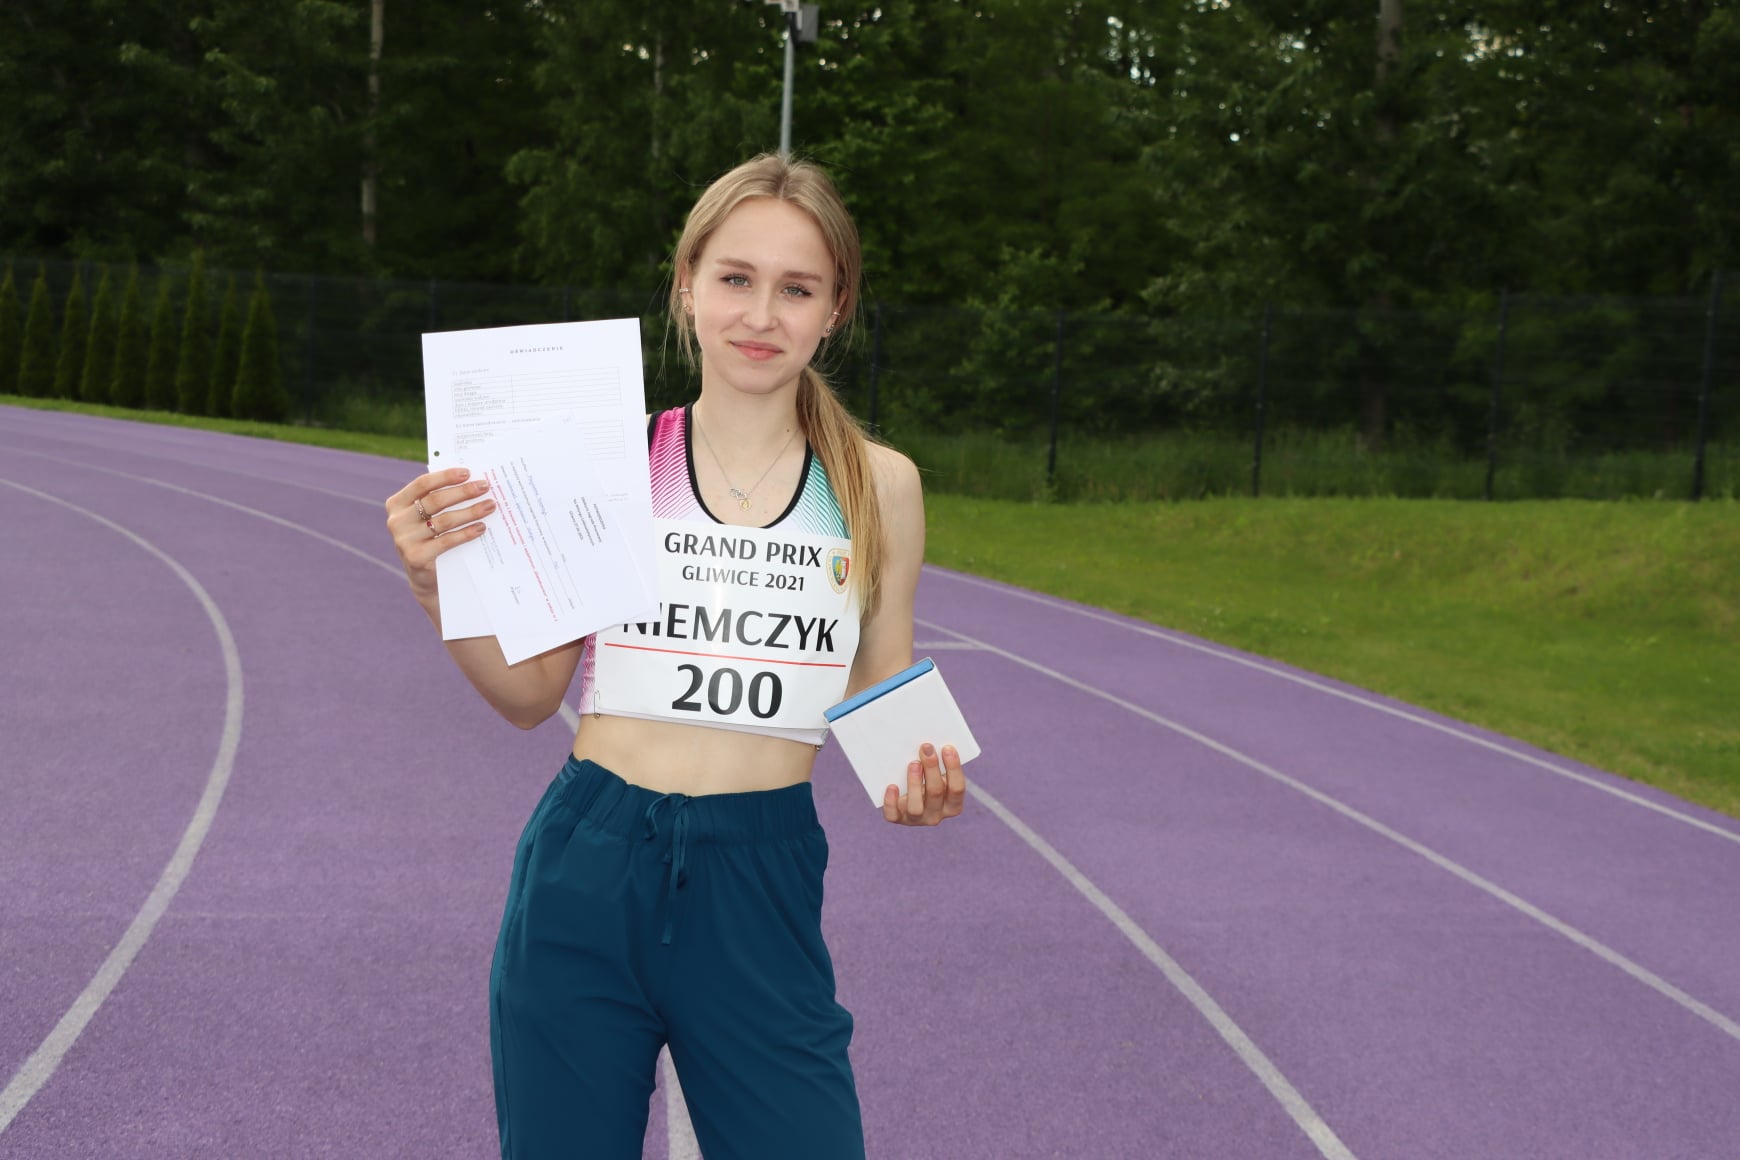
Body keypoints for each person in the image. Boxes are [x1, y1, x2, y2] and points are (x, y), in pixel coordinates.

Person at [385, 153, 966, 1160]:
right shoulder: (609, 461)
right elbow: (530, 696)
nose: (761, 314)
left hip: (762, 876)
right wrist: (442, 587)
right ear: (686, 285)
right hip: (589, 862)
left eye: (797, 289)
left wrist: (921, 780)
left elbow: (884, 695)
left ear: (836, 310)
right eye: (736, 278)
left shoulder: (881, 485)